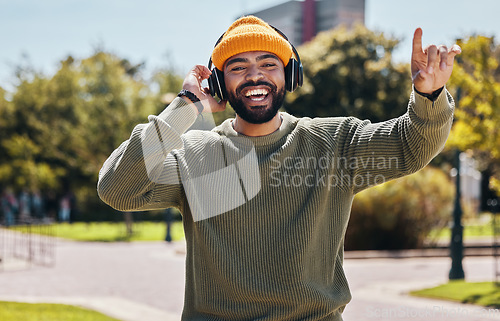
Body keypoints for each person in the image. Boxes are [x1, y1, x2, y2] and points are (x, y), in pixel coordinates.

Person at [98, 16, 460, 320]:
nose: (255, 76)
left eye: (268, 64)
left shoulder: (334, 143)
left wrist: (429, 96)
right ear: (220, 85)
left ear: (290, 74)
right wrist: (185, 106)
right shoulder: (195, 156)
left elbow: (410, 146)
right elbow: (116, 188)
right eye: (238, 67)